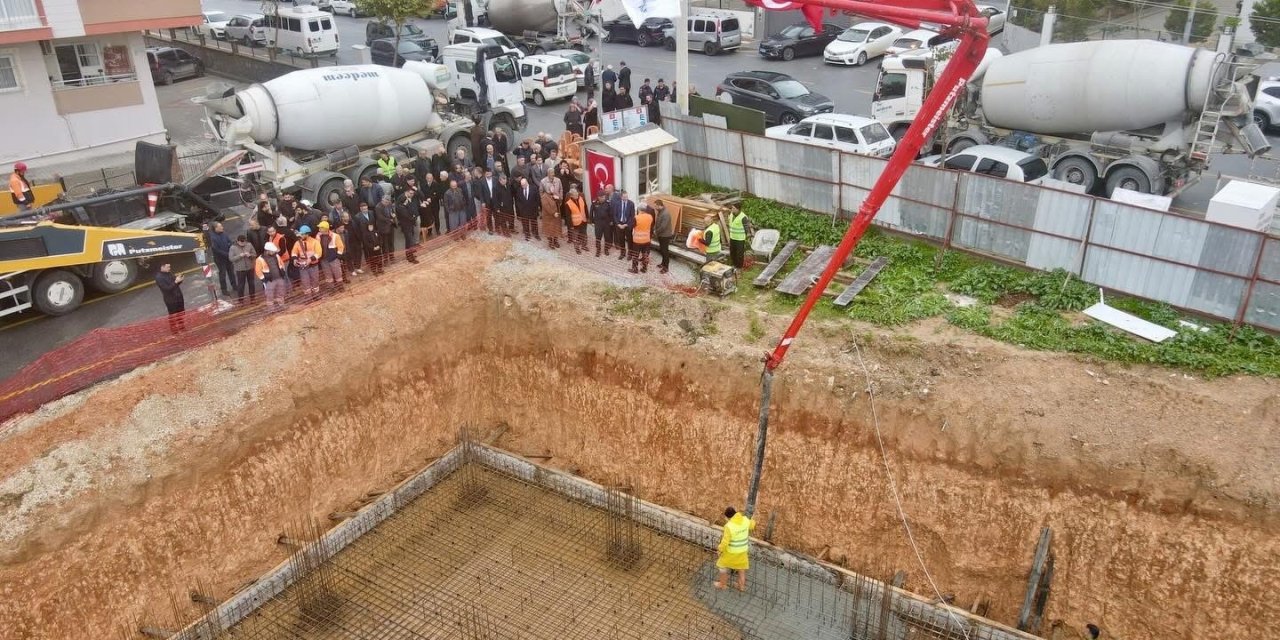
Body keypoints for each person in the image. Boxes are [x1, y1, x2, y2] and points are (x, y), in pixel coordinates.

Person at [715, 507, 755, 591]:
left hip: (731, 552)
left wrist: (719, 549)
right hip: (743, 551)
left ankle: (722, 584)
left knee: (722, 567)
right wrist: (754, 518)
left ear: (728, 517)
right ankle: (741, 587)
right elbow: (752, 525)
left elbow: (725, 542)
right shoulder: (745, 520)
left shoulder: (728, 526)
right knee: (741, 569)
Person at [291, 225, 322, 295]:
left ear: (307, 234)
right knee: (305, 282)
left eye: (302, 234)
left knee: (315, 280)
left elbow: (319, 253)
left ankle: (316, 295)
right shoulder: (298, 243)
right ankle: (308, 296)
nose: (300, 235)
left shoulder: (315, 242)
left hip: (313, 265)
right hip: (303, 266)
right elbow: (294, 252)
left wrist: (310, 259)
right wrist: (294, 259)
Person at [154, 263, 185, 333]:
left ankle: (182, 327)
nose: (169, 268)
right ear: (162, 267)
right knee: (173, 315)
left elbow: (175, 283)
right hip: (171, 300)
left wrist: (180, 280)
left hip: (178, 297)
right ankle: (174, 330)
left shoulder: (169, 273)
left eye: (169, 267)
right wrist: (176, 281)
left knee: (181, 313)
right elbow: (166, 289)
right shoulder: (159, 278)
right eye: (168, 267)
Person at [205, 221, 234, 296]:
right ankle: (224, 290)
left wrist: (229, 249)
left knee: (231, 272)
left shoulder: (224, 234)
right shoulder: (212, 238)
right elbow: (216, 250)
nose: (222, 227)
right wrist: (227, 254)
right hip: (220, 260)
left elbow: (230, 242)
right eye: (220, 226)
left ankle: (234, 286)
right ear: (215, 228)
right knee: (222, 274)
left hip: (228, 257)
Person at [255, 242, 289, 307]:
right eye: (272, 251)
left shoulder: (276, 256)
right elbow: (258, 271)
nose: (274, 252)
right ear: (267, 250)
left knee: (281, 293)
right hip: (269, 280)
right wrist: (263, 279)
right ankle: (271, 309)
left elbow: (281, 264)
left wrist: (283, 272)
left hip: (279, 278)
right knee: (270, 295)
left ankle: (281, 305)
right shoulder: (260, 259)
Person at [228, 234, 258, 304]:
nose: (243, 244)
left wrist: (250, 255)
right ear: (238, 241)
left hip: (250, 268)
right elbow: (231, 258)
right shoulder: (233, 247)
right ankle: (241, 300)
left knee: (251, 284)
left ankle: (253, 298)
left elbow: (255, 254)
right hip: (240, 270)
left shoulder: (249, 245)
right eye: (241, 242)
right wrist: (239, 256)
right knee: (241, 285)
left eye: (244, 242)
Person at [315, 220, 346, 289]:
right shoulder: (318, 236)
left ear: (325, 228)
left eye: (321, 228)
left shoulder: (335, 236)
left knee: (337, 273)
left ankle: (340, 287)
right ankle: (331, 288)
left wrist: (338, 255)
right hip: (324, 259)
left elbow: (341, 246)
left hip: (334, 258)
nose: (319, 229)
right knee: (327, 274)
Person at [396, 188, 421, 263]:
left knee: (410, 240)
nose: (412, 195)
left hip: (410, 224)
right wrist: (413, 217)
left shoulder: (407, 201)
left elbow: (412, 210)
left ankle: (410, 254)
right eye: (410, 193)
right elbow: (406, 214)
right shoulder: (402, 204)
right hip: (406, 225)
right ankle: (410, 258)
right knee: (409, 241)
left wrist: (413, 216)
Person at [540, 172, 564, 249]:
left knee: (556, 228)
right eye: (551, 189)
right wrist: (553, 213)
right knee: (550, 230)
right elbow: (546, 207)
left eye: (553, 189)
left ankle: (556, 241)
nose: (553, 190)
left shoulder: (554, 195)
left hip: (556, 215)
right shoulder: (544, 196)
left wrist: (558, 199)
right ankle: (551, 242)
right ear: (548, 189)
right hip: (549, 216)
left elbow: (558, 203)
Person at [612, 189, 636, 261]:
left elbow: (632, 216)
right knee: (621, 240)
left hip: (627, 225)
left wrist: (626, 224)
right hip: (619, 225)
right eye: (624, 197)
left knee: (629, 240)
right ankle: (622, 253)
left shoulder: (631, 203)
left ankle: (630, 254)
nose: (626, 198)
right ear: (621, 197)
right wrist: (618, 224)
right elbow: (615, 215)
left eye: (627, 197)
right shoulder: (617, 203)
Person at [514, 176, 540, 240]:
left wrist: (536, 208)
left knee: (534, 223)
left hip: (533, 209)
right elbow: (518, 201)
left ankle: (536, 234)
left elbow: (537, 199)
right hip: (523, 210)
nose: (523, 186)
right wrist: (520, 209)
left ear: (527, 183)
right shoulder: (519, 190)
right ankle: (527, 234)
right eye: (522, 185)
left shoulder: (534, 188)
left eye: (524, 185)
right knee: (525, 223)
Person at [564, 185, 588, 254]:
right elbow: (568, 217)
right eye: (575, 195)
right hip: (575, 223)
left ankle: (584, 246)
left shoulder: (581, 199)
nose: (577, 195)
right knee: (575, 237)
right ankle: (577, 248)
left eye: (577, 193)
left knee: (584, 235)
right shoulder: (568, 204)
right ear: (571, 196)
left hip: (583, 221)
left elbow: (585, 208)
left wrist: (588, 218)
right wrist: (570, 226)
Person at [630, 204, 654, 274]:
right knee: (645, 255)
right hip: (646, 239)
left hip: (637, 240)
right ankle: (644, 268)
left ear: (638, 209)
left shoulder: (636, 218)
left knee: (635, 255)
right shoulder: (650, 217)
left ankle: (635, 269)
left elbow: (631, 226)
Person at [653, 199, 674, 274]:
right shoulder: (660, 211)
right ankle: (663, 263)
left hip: (665, 235)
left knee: (665, 251)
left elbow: (663, 226)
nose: (655, 208)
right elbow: (657, 222)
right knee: (662, 250)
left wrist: (656, 231)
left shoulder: (666, 214)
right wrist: (654, 228)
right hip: (661, 234)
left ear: (659, 205)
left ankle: (666, 267)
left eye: (655, 206)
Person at [350, 202, 371, 274]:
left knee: (371, 249)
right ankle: (368, 263)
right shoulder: (357, 217)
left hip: (371, 235)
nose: (365, 210)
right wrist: (361, 238)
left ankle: (372, 261)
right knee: (365, 250)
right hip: (363, 236)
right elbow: (357, 228)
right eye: (364, 209)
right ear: (360, 209)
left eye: (366, 208)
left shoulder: (371, 213)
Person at [374, 194, 396, 261]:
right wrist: (389, 220)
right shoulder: (378, 207)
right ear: (382, 200)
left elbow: (392, 211)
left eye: (388, 202)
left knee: (391, 242)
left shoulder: (389, 204)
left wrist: (393, 215)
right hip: (383, 228)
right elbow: (380, 217)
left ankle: (392, 256)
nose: (387, 203)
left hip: (391, 226)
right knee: (384, 244)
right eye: (386, 202)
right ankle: (386, 258)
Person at [590, 190, 612, 257]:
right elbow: (591, 213)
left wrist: (611, 221)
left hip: (606, 223)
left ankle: (606, 250)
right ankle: (598, 250)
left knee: (607, 237)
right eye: (601, 197)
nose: (603, 198)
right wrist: (592, 222)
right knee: (598, 237)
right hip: (598, 223)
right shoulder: (594, 203)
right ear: (598, 197)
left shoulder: (608, 203)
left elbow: (610, 213)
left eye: (604, 197)